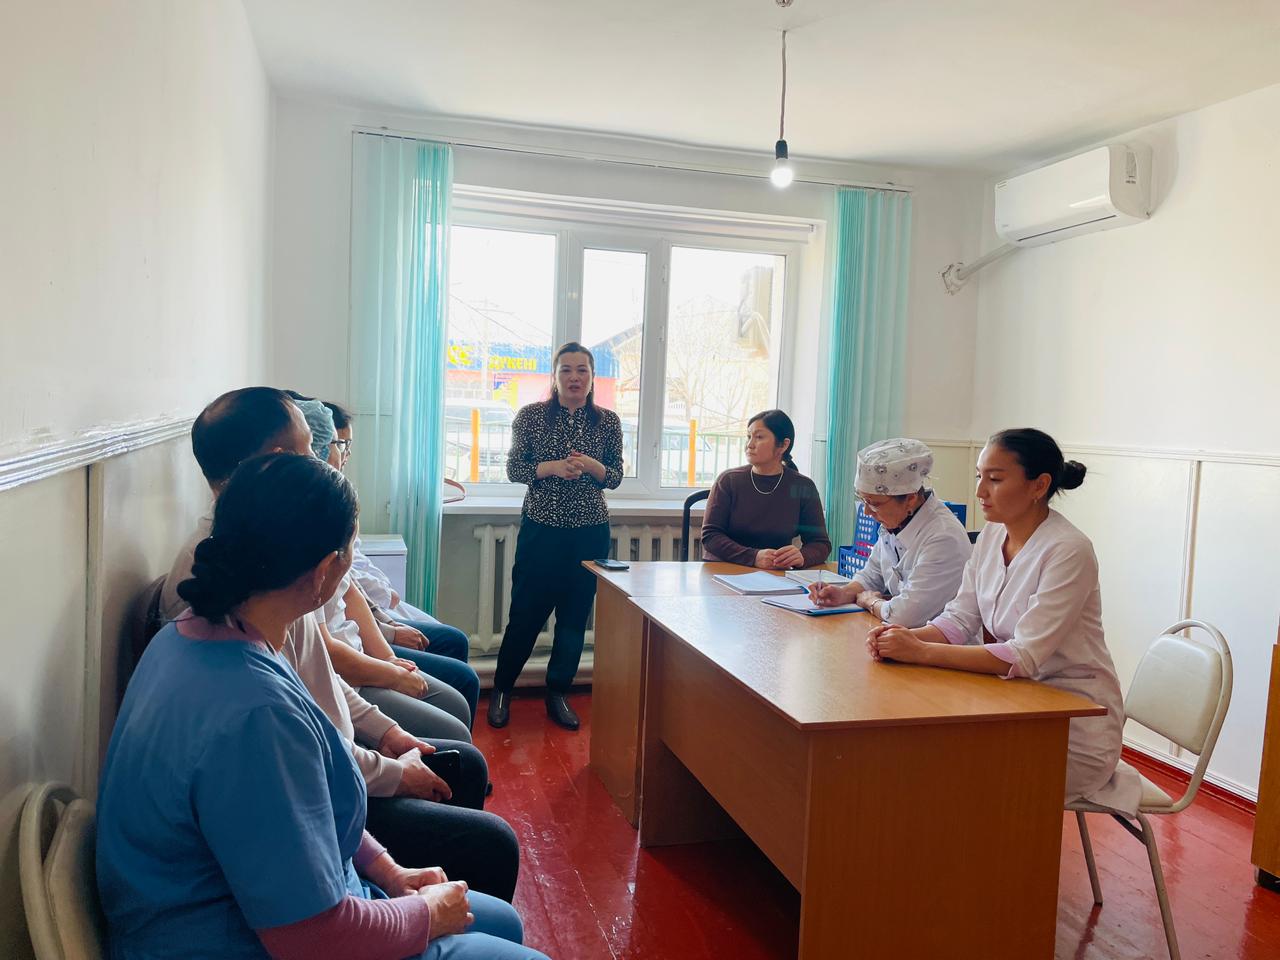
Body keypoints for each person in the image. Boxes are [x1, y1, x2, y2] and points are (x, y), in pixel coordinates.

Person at [97, 453, 548, 960]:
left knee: (501, 920)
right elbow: (313, 937)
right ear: (325, 571)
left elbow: (307, 812)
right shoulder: (257, 715)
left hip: (259, 907)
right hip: (236, 939)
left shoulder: (197, 635)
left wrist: (389, 872)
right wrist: (425, 915)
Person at [160, 387, 520, 899]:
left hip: (336, 776)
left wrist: (387, 732)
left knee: (463, 768)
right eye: (311, 448)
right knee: (491, 843)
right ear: (277, 461)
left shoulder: (278, 559)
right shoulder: (243, 606)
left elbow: (318, 676)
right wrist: (392, 776)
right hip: (322, 795)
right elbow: (300, 765)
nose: (324, 458)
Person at [863, 428, 1142, 814]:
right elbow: (960, 618)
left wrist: (920, 651)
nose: (980, 491)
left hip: (1071, 728)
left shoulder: (1068, 550)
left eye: (994, 479)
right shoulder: (993, 536)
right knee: (923, 757)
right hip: (1012, 703)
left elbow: (1023, 655)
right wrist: (901, 638)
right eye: (980, 476)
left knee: (947, 774)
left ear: (1038, 485)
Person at [300, 400, 478, 734]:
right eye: (338, 444)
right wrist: (389, 668)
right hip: (348, 670)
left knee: (455, 667)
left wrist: (387, 656)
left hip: (359, 649)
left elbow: (351, 590)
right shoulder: (301, 538)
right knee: (455, 711)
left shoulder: (333, 501)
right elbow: (323, 656)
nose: (343, 453)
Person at [488, 342, 623, 731]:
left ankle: (558, 693)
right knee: (525, 615)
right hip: (542, 531)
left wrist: (593, 465)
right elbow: (514, 469)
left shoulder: (608, 422)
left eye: (582, 370)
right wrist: (551, 468)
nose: (574, 377)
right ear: (554, 375)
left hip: (590, 532)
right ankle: (501, 689)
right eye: (566, 370)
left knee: (574, 618)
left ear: (592, 377)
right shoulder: (531, 416)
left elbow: (614, 476)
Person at [809, 438, 970, 625]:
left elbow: (904, 615)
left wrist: (870, 602)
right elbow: (872, 574)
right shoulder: (895, 524)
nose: (867, 512)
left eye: (874, 504)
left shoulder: (943, 537)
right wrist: (843, 593)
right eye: (863, 501)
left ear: (910, 499)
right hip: (901, 636)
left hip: (936, 641)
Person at [699, 409, 831, 569]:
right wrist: (753, 557)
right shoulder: (728, 480)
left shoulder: (803, 486)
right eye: (749, 437)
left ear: (783, 445)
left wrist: (802, 556)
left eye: (759, 437)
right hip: (724, 570)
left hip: (774, 573)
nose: (749, 445)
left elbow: (820, 543)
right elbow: (710, 536)